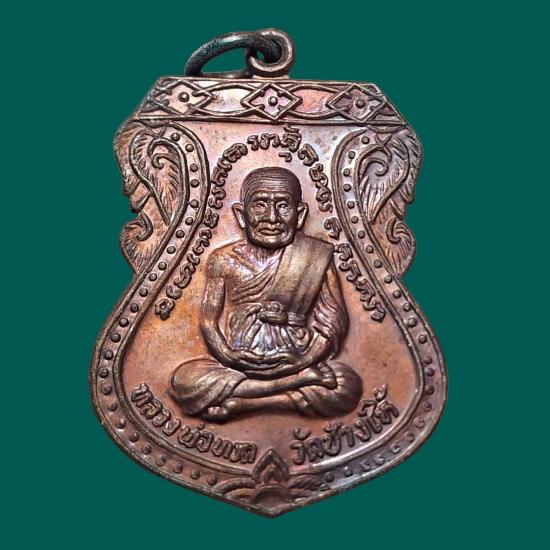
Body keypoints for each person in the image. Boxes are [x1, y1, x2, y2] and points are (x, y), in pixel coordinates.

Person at [170, 166, 362, 421]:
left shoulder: (314, 256)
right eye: (260, 205)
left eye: (283, 206)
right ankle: (291, 386)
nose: (272, 217)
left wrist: (304, 361)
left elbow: (332, 323)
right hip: (239, 362)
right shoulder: (223, 259)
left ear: (300, 215)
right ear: (241, 215)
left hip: (296, 356)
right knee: (185, 380)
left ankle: (246, 402)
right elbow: (208, 320)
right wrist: (227, 355)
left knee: (347, 385)